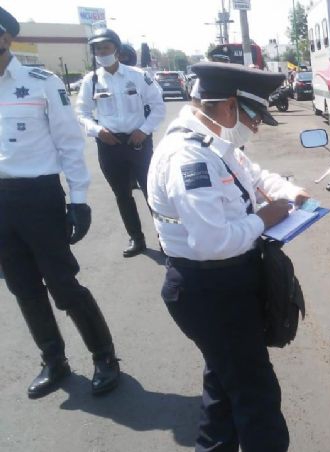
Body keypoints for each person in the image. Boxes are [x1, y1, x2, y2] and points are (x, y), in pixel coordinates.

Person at [147, 62, 311, 451]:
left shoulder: (216, 143)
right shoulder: (189, 158)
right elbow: (212, 241)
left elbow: (253, 174)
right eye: (253, 117)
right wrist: (264, 219)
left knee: (224, 381)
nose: (255, 127)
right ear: (228, 106)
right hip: (210, 288)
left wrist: (289, 190)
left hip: (226, 283)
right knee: (256, 395)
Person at [0, 7, 120, 399]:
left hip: (38, 196)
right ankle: (54, 360)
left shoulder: (41, 82)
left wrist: (80, 200)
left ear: (5, 38)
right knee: (22, 288)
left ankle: (104, 356)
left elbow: (70, 143)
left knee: (63, 286)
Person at [76, 28, 166, 257]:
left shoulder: (138, 76)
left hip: (138, 142)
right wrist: (97, 130)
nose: (101, 52)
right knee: (122, 194)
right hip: (109, 144)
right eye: (97, 48)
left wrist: (144, 130)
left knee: (152, 193)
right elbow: (82, 112)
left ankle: (165, 239)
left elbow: (158, 106)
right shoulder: (91, 81)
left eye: (106, 47)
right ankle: (137, 239)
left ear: (116, 48)